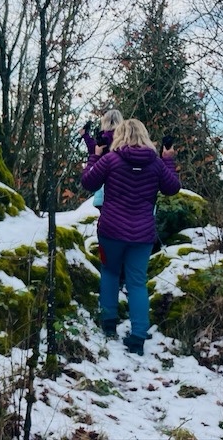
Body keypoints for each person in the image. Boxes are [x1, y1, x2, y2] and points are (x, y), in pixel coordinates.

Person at [80, 118, 180, 356]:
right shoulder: (156, 164)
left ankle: (108, 323)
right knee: (137, 282)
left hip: (110, 231)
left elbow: (88, 182)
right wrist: (168, 159)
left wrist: (94, 155)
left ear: (119, 135)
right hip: (142, 234)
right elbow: (172, 188)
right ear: (145, 136)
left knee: (110, 272)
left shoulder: (110, 160)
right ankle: (138, 336)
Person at [79, 109, 124, 209]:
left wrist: (86, 136)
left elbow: (95, 150)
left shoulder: (105, 137)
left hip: (106, 183)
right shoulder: (125, 138)